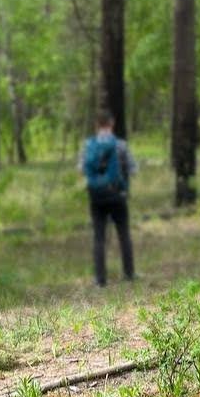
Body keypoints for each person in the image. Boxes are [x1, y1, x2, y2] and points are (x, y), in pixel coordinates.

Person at [79, 112, 137, 287]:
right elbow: (133, 169)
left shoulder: (88, 145)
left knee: (99, 237)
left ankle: (100, 279)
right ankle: (129, 274)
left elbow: (81, 169)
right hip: (118, 196)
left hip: (96, 198)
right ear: (111, 124)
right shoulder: (120, 145)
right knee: (124, 234)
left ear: (97, 125)